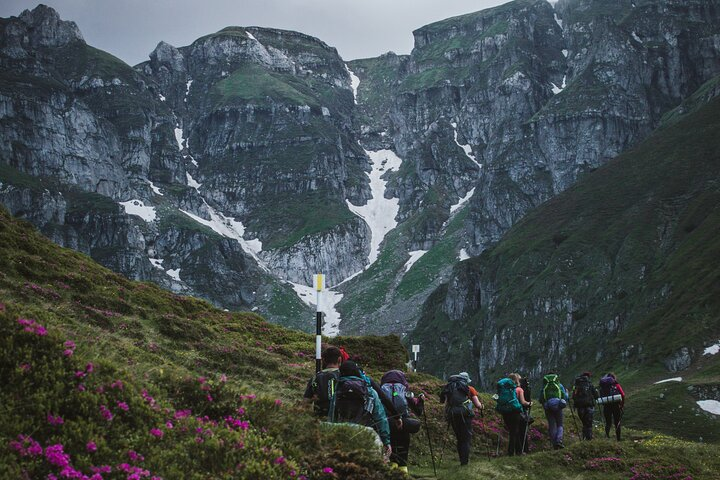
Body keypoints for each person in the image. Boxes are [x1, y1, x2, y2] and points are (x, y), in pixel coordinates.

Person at [329, 360, 392, 459]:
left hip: (342, 435)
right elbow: (380, 417)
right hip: (365, 434)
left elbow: (332, 416)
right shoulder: (369, 391)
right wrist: (386, 441)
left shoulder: (338, 391)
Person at [381, 370, 424, 474]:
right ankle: (403, 469)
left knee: (389, 446)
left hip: (386, 424)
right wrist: (421, 401)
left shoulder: (381, 390)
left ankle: (391, 469)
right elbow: (418, 411)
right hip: (402, 424)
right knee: (403, 445)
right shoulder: (404, 391)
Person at [440, 372, 483, 465]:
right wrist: (482, 406)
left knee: (459, 438)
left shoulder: (450, 388)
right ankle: (464, 462)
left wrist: (446, 415)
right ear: (466, 380)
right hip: (465, 415)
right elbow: (478, 405)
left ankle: (461, 459)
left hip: (452, 415)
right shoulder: (469, 389)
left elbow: (446, 403)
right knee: (466, 438)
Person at [303, 346, 343, 417]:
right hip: (340, 417)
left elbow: (306, 402)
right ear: (339, 360)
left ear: (323, 360)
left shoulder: (315, 377)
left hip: (319, 417)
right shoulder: (343, 375)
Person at [539, 372, 569, 449]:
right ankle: (559, 441)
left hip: (548, 407)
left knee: (552, 425)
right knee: (560, 424)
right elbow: (565, 397)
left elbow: (540, 399)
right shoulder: (559, 385)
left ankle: (554, 444)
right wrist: (567, 394)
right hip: (558, 406)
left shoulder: (544, 386)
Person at [509, 373, 532, 454]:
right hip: (519, 412)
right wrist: (529, 403)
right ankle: (523, 450)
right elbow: (523, 402)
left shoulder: (507, 389)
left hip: (508, 413)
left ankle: (512, 451)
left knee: (513, 432)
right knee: (522, 431)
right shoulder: (519, 389)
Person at [572, 371, 599, 440]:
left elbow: (573, 396)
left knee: (584, 422)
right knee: (589, 423)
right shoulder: (589, 384)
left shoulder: (576, 385)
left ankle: (584, 438)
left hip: (579, 407)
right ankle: (589, 439)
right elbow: (596, 395)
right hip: (588, 405)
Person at [599, 372, 625, 441]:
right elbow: (623, 394)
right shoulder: (616, 384)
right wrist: (621, 405)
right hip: (616, 405)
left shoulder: (603, 386)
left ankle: (607, 437)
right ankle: (618, 439)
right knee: (617, 422)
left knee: (608, 422)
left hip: (606, 405)